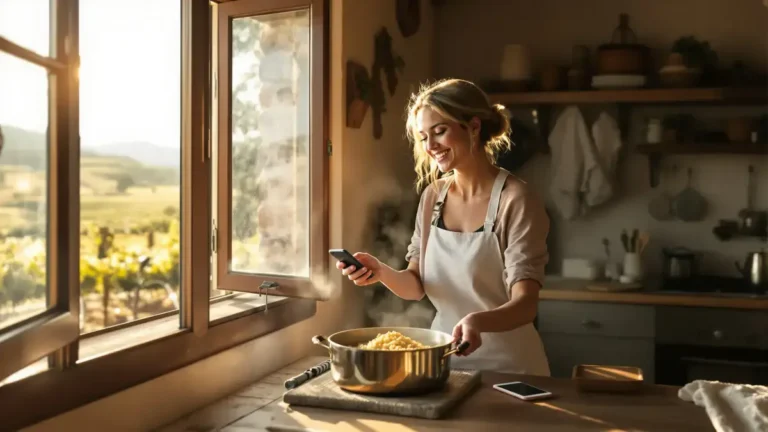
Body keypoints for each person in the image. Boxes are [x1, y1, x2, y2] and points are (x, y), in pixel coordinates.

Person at [337, 78, 550, 376]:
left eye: (439, 131)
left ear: (473, 127)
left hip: (510, 369)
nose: (430, 146)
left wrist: (477, 321)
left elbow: (526, 305)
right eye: (423, 137)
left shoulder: (515, 199)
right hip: (448, 363)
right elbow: (416, 286)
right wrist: (380, 271)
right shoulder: (433, 197)